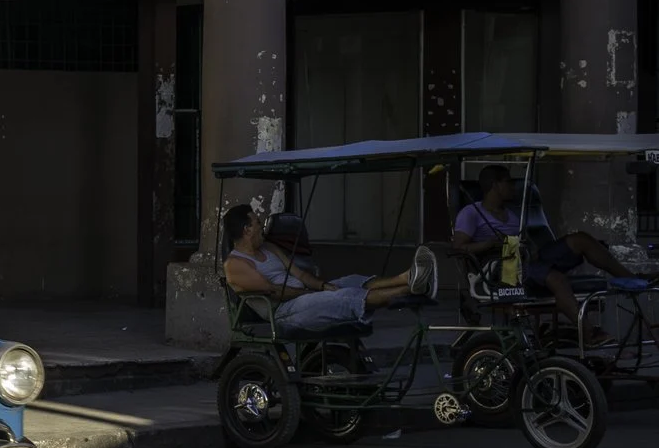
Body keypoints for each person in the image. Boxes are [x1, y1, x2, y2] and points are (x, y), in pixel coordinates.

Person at [448, 164, 640, 331]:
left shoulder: (512, 215)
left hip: (528, 258)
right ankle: (589, 333)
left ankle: (630, 278)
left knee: (581, 239)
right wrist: (489, 243)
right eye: (508, 181)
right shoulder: (471, 213)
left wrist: (530, 245)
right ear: (495, 185)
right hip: (504, 268)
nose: (513, 186)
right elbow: (458, 247)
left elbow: (526, 240)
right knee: (556, 278)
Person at [223, 204, 434, 331]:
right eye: (257, 223)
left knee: (351, 281)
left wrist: (322, 286)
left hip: (304, 296)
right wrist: (311, 293)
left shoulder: (269, 247)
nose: (262, 227)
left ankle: (407, 277)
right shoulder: (235, 264)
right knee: (346, 296)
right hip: (284, 311)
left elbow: (299, 273)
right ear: (247, 229)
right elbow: (274, 291)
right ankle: (412, 289)